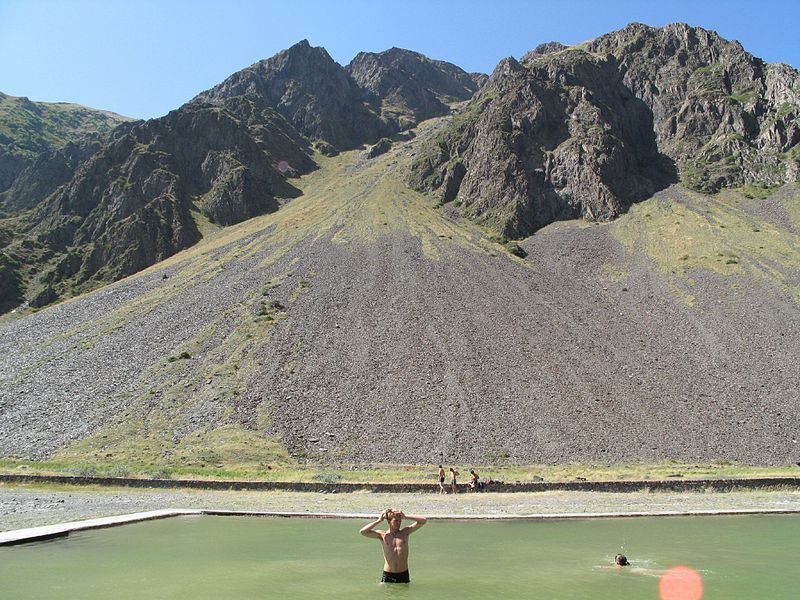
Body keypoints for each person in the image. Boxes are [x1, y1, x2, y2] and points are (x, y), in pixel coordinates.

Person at [360, 508, 427, 583]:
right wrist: (379, 520)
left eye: (400, 521)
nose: (398, 523)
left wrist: (405, 516)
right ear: (389, 521)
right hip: (388, 574)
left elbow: (423, 520)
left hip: (403, 573)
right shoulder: (382, 535)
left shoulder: (405, 532)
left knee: (404, 594)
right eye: (396, 521)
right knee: (387, 594)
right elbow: (363, 532)